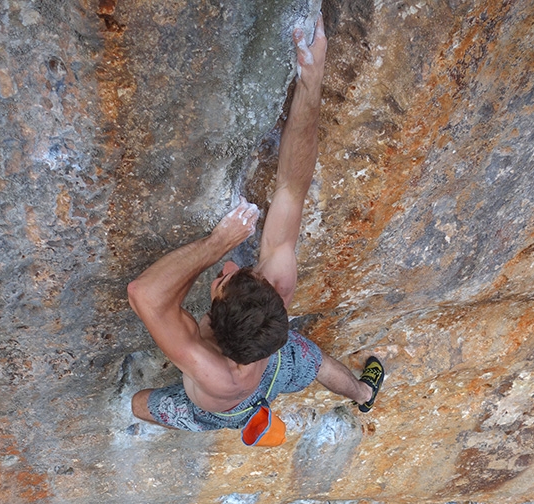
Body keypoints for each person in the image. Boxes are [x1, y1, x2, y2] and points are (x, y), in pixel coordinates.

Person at [127, 15, 384, 436]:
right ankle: (362, 394)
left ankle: (252, 417)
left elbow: (144, 294)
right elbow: (291, 188)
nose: (228, 267)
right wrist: (311, 80)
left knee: (140, 405)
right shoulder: (275, 294)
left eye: (225, 278)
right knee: (312, 359)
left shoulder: (209, 370)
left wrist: (216, 243)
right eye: (235, 271)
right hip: (277, 359)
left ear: (208, 321)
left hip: (222, 404)